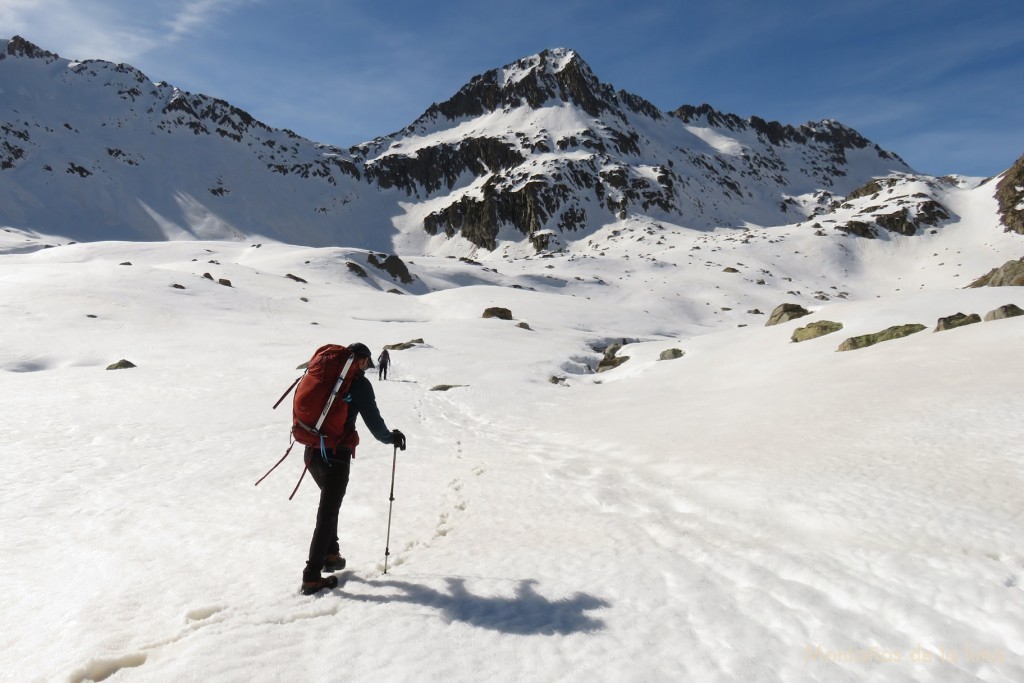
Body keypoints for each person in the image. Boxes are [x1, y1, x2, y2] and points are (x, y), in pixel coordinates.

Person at [301, 342, 406, 595]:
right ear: (359, 361)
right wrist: (391, 438)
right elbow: (375, 425)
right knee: (327, 512)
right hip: (336, 456)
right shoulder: (358, 385)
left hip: (312, 451)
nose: (366, 368)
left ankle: (331, 554)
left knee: (330, 504)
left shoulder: (325, 376)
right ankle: (312, 576)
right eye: (366, 363)